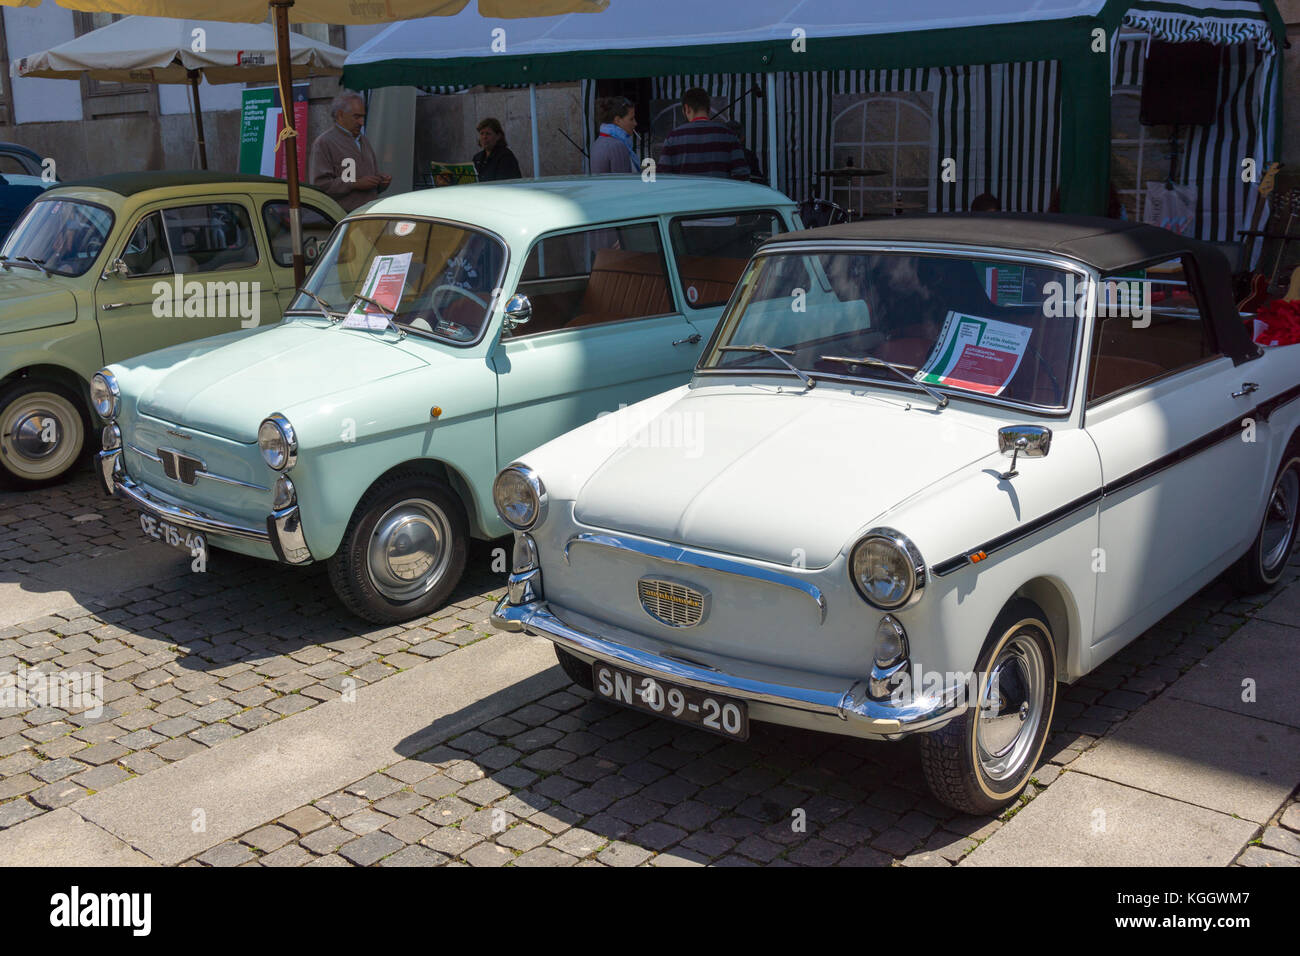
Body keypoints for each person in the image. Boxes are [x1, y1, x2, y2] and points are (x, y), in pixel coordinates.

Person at [308, 90, 391, 213]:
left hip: (368, 214)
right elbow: (320, 185)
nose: (361, 122)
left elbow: (365, 179)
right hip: (343, 217)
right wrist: (355, 184)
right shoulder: (324, 143)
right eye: (356, 117)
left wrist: (380, 182)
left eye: (363, 116)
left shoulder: (363, 140)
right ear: (340, 115)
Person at [657, 87, 749, 180]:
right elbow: (742, 175)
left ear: (687, 108)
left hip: (686, 194)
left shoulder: (673, 138)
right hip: (720, 194)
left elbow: (664, 177)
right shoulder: (728, 135)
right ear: (708, 108)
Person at [591, 96, 639, 174]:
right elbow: (623, 183)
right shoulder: (617, 146)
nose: (635, 123)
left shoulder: (598, 141)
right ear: (617, 120)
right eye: (631, 119)